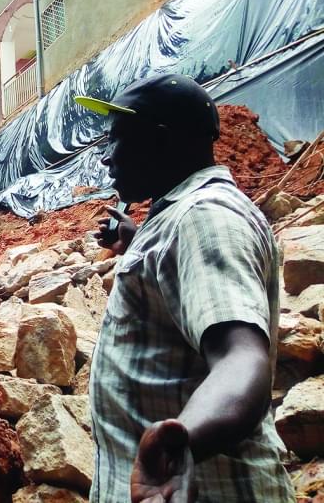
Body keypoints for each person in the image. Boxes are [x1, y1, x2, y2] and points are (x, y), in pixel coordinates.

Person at [74, 74, 294, 503]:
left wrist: (182, 443)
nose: (105, 158)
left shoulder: (204, 218)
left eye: (116, 141)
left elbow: (241, 358)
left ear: (159, 142)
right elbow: (179, 276)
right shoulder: (181, 219)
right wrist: (136, 242)